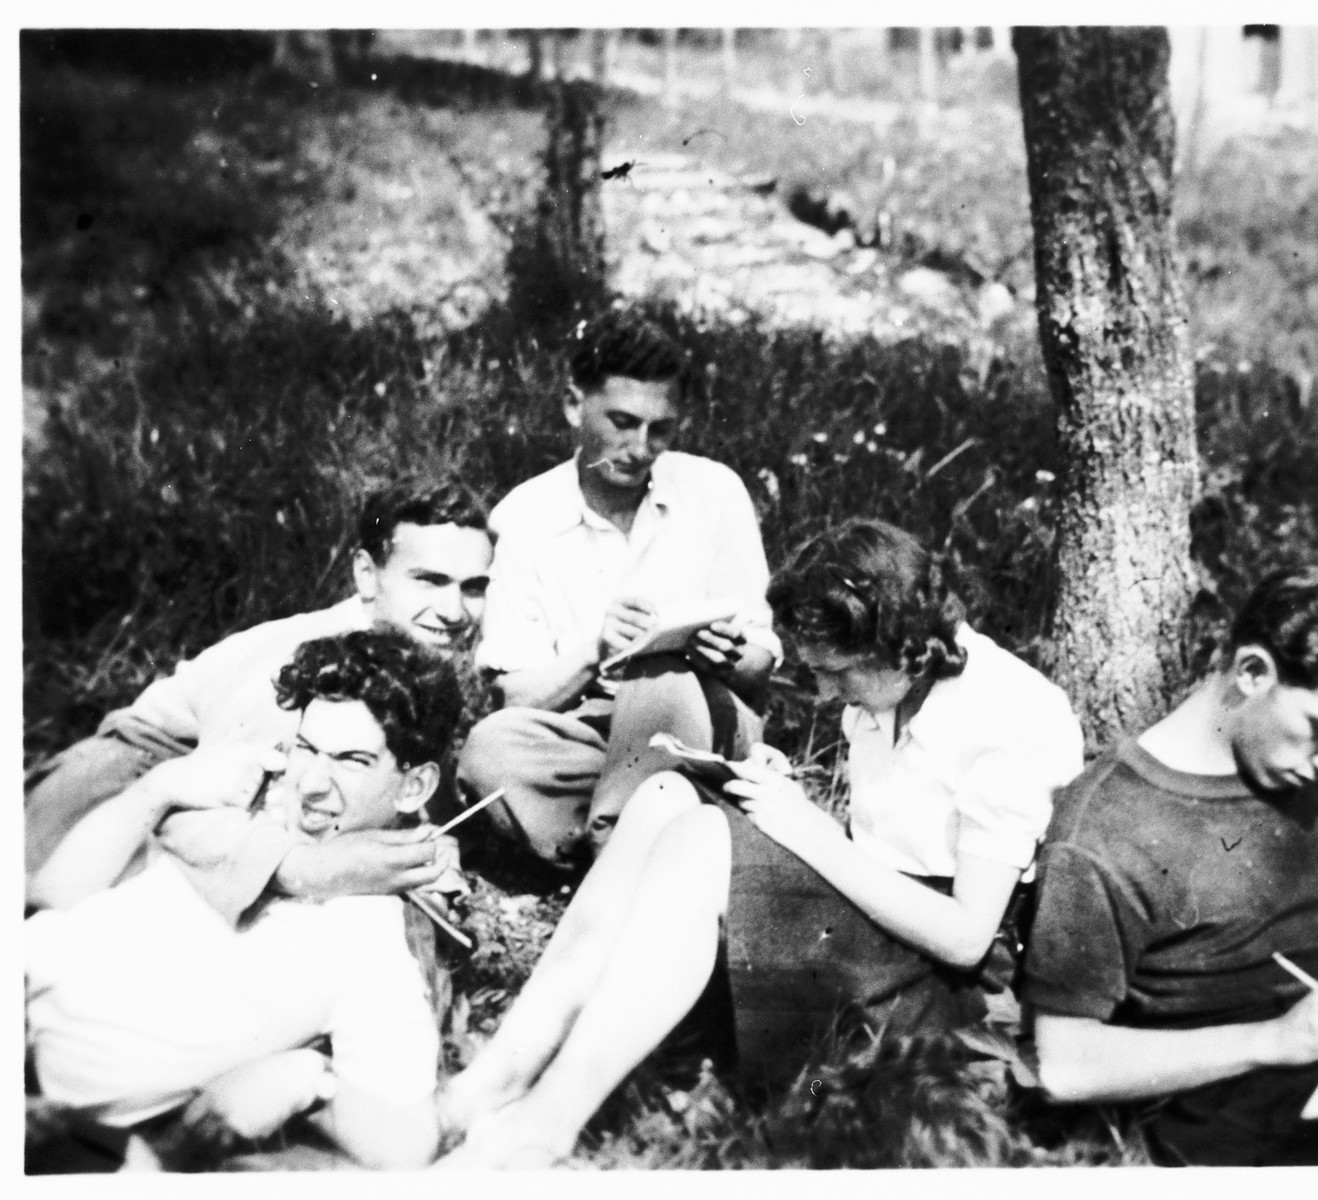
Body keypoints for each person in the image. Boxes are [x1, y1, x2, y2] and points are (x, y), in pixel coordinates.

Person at [436, 519, 1085, 1166]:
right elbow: (880, 847)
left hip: (950, 989)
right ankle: (498, 1078)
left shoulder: (1012, 711)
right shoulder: (890, 683)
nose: (829, 694)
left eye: (838, 673)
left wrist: (805, 830)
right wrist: (781, 794)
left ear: (906, 647)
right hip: (876, 933)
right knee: (663, 798)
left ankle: (549, 1120)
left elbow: (968, 936)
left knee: (702, 842)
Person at [1021, 558, 1318, 1166]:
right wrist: (1276, 1040)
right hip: (1242, 1101)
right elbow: (1066, 1065)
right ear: (1253, 672)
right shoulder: (1107, 830)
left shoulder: (1310, 770)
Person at [26, 629, 461, 1172]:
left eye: (351, 760)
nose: (312, 784)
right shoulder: (241, 804)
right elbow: (52, 895)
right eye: (305, 748)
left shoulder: (372, 933)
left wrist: (309, 1084)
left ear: (414, 786)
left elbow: (410, 1142)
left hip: (64, 1120)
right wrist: (157, 789)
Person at [25, 478, 494, 922]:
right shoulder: (315, 672)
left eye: (473, 587)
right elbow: (203, 804)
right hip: (115, 786)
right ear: (368, 576)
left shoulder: (406, 659)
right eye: (429, 581)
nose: (454, 612)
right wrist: (304, 868)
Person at [465, 309, 782, 866]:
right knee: (489, 751)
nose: (640, 448)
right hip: (587, 737)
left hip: (697, 724)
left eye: (660, 429)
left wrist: (727, 657)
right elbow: (514, 699)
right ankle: (670, 840)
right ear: (572, 404)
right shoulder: (524, 517)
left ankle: (613, 853)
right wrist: (599, 652)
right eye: (622, 421)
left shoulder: (714, 492)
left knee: (657, 677)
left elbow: (760, 671)